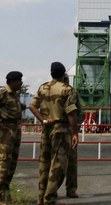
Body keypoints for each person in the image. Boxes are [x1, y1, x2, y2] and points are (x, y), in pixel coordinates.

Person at [28, 62, 78, 205]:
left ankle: (41, 198)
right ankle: (49, 199)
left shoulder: (43, 87)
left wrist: (43, 120)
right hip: (62, 129)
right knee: (59, 164)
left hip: (47, 129)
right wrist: (75, 133)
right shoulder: (67, 90)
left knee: (44, 163)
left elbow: (32, 105)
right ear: (63, 74)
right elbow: (71, 112)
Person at [0, 71, 27, 205]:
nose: (21, 82)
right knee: (4, 163)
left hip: (15, 129)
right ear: (11, 81)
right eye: (19, 80)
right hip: (5, 131)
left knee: (11, 164)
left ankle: (5, 196)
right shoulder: (1, 93)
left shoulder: (15, 94)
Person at [60, 73, 83, 199]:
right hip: (66, 129)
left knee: (57, 162)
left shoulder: (45, 89)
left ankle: (48, 192)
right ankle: (71, 189)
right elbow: (77, 110)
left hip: (57, 130)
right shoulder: (71, 92)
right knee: (70, 162)